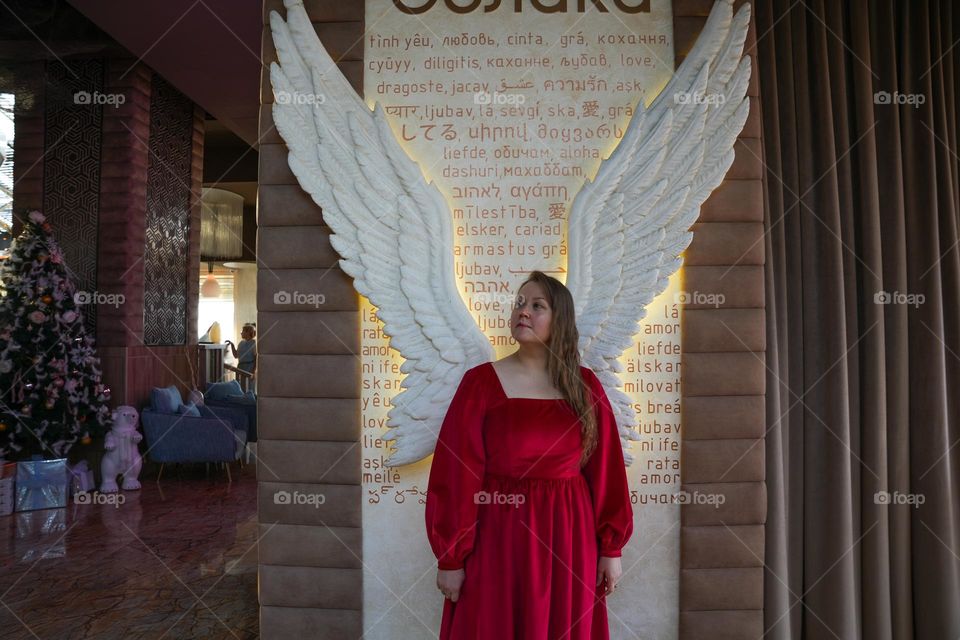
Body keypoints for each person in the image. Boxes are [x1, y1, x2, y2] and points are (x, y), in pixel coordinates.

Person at [425, 270, 634, 639]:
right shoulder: (480, 383)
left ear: (560, 320)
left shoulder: (584, 387)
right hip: (497, 535)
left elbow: (606, 472)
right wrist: (451, 557)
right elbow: (456, 474)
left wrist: (610, 549)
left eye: (537, 305)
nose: (523, 311)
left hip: (569, 538)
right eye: (520, 303)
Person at [224, 324, 257, 392]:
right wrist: (232, 345)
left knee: (249, 387)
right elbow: (236, 356)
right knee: (240, 387)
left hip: (249, 367)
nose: (241, 332)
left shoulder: (254, 343)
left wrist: (253, 371)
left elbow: (256, 358)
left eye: (243, 331)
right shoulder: (241, 343)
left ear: (248, 332)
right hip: (241, 367)